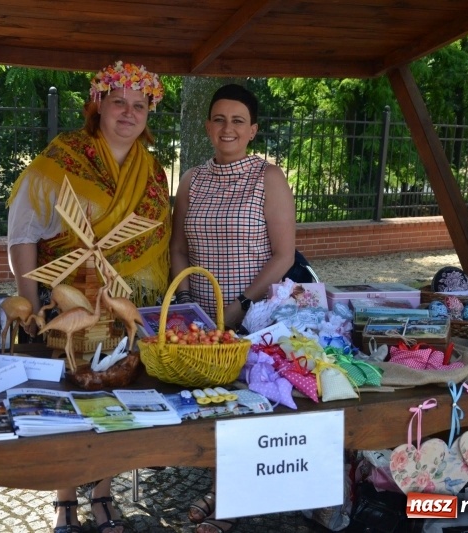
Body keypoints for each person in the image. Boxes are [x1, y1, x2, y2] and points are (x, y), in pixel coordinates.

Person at [6, 60, 170, 533]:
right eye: (118, 101)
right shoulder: (61, 159)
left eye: (139, 105)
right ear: (97, 105)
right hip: (70, 302)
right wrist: (30, 302)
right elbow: (24, 232)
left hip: (125, 309)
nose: (128, 112)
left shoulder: (154, 171)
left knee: (116, 399)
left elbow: (160, 237)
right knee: (69, 402)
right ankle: (64, 502)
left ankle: (102, 495)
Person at [169, 83, 296, 533]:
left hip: (253, 315)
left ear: (253, 130)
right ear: (207, 126)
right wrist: (186, 305)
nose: (228, 128)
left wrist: (243, 303)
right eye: (219, 119)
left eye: (238, 120)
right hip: (200, 324)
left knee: (244, 409)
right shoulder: (191, 180)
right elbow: (178, 248)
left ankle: (228, 501)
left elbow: (284, 255)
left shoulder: (269, 178)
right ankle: (221, 488)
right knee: (209, 407)